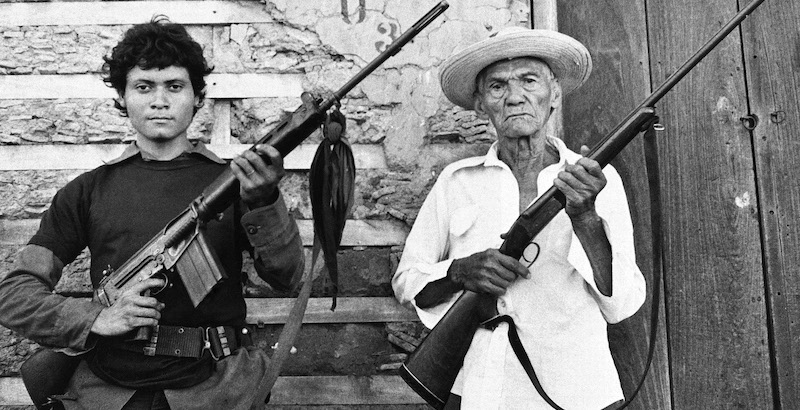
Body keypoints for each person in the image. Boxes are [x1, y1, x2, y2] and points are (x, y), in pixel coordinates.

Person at [0, 17, 304, 410]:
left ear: (197, 97)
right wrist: (94, 318)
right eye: (144, 86)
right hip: (108, 393)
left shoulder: (237, 185)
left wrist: (264, 202)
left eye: (174, 86)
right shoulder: (87, 192)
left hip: (215, 392)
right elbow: (13, 295)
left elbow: (290, 278)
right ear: (123, 97)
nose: (159, 100)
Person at [392, 27, 646, 409]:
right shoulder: (456, 181)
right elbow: (408, 281)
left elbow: (622, 303)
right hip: (482, 388)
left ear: (554, 93)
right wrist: (458, 272)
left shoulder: (596, 180)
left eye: (529, 80)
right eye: (497, 86)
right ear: (480, 104)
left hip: (577, 389)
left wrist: (586, 218)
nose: (514, 97)